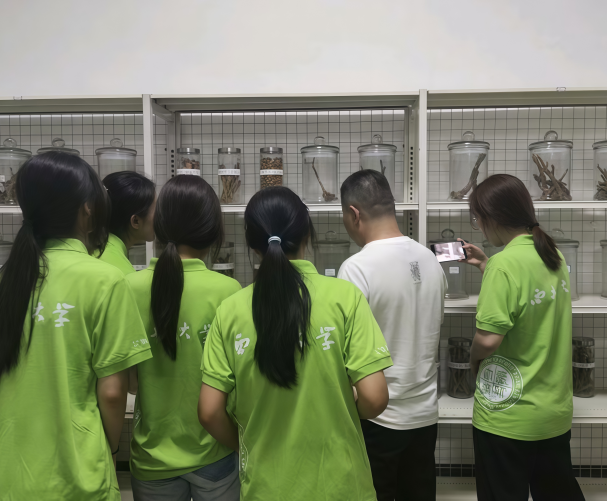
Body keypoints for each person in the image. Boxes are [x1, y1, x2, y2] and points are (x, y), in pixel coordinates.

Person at [0, 151, 153, 501]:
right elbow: (112, 392)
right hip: (73, 479)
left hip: (4, 477)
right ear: (88, 209)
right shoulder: (104, 280)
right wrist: (107, 449)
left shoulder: (3, 281)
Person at [198, 186, 393, 501]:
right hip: (342, 487)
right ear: (307, 236)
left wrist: (247, 443)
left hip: (266, 488)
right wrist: (341, 403)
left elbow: (209, 412)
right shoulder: (345, 298)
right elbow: (375, 398)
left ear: (253, 245)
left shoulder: (230, 311)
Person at [460, 174, 584, 501]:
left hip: (508, 416)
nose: (479, 227)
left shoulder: (504, 265)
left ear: (491, 218)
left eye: (477, 218)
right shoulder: (554, 256)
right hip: (553, 412)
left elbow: (488, 340)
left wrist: (472, 360)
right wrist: (486, 265)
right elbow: (529, 297)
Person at [127, 175, 242, 501]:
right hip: (215, 450)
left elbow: (130, 383)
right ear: (213, 230)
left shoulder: (129, 288)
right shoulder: (228, 291)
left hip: (152, 457)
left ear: (160, 225)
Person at [337, 170, 447, 501]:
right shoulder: (431, 261)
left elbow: (345, 352)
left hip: (378, 417)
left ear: (354, 214)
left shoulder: (356, 268)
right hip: (425, 415)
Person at [98, 171, 156, 274]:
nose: (160, 217)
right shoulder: (123, 274)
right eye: (156, 211)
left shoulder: (97, 249)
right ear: (135, 221)